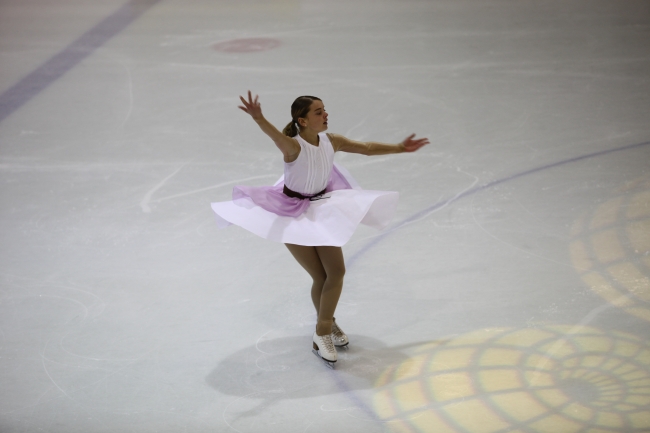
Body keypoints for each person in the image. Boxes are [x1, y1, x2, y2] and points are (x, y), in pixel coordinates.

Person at [211, 91, 428, 367]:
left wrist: (400, 148)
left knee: (335, 273)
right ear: (302, 121)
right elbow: (274, 136)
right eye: (318, 112)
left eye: (324, 109)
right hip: (292, 215)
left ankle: (324, 326)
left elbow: (366, 148)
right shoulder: (293, 147)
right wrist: (258, 117)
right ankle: (323, 331)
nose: (326, 114)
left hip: (321, 208)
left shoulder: (331, 141)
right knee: (320, 275)